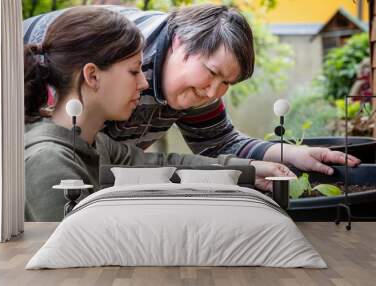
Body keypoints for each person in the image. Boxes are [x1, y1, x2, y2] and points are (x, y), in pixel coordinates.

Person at [24, 7, 295, 222]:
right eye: (134, 71)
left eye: (226, 83)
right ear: (92, 75)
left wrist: (246, 170)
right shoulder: (50, 162)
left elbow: (164, 165)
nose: (143, 84)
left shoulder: (98, 144)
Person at [24, 4, 361, 175]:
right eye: (213, 73)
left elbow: (219, 142)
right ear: (180, 42)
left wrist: (287, 153)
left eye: (227, 83)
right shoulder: (117, 52)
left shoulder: (192, 84)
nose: (214, 92)